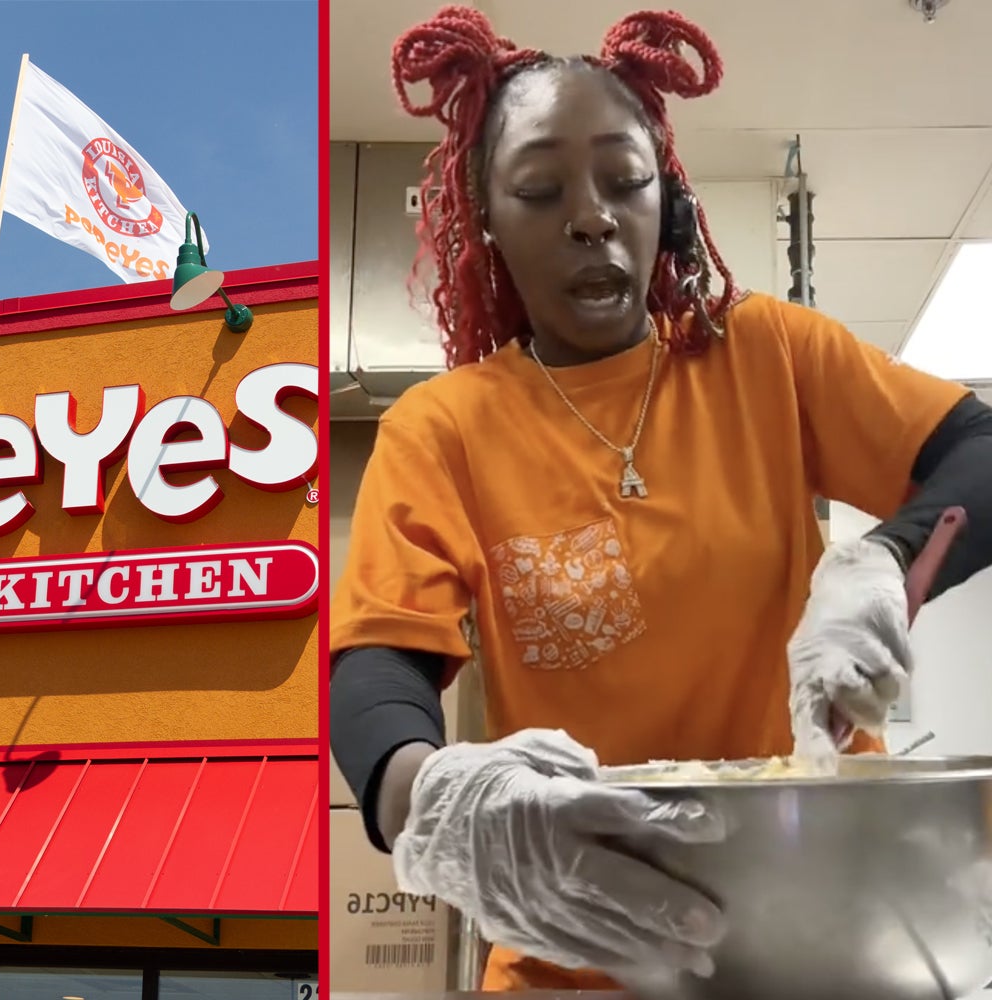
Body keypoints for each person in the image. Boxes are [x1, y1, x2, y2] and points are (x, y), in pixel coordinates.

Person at [329, 6, 992, 992]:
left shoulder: (770, 355)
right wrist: (430, 791)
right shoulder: (445, 427)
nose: (589, 215)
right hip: (575, 951)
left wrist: (884, 562)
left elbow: (976, 453)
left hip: (818, 939)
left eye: (623, 179)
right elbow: (377, 663)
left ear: (667, 207)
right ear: (488, 228)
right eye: (539, 190)